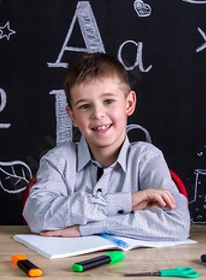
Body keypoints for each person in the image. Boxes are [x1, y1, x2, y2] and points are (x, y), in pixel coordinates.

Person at [23, 52, 191, 240]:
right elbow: (36, 215)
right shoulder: (58, 160)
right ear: (72, 117)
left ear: (129, 103)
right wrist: (125, 202)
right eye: (85, 106)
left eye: (109, 101)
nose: (98, 114)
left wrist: (89, 228)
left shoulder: (146, 158)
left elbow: (177, 223)